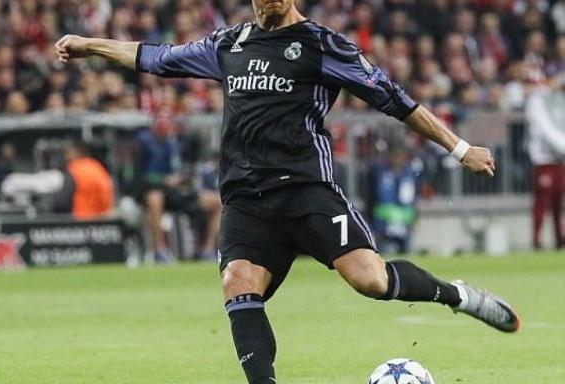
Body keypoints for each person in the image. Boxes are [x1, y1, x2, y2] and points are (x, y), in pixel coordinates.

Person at [54, 0, 519, 382]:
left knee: (371, 281)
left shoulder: (322, 45)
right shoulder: (229, 43)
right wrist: (90, 46)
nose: (268, 2)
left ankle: (456, 296)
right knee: (238, 282)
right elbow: (156, 57)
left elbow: (394, 98)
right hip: (247, 199)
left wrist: (460, 149)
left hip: (306, 191)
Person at [135, 114, 222, 262]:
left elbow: (190, 169)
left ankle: (207, 249)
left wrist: (184, 177)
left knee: (217, 201)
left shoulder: (181, 143)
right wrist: (164, 180)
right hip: (158, 190)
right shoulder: (145, 145)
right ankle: (159, 251)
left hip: (180, 191)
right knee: (155, 199)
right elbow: (141, 176)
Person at [525, 75, 565, 250]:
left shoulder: (558, 99)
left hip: (559, 158)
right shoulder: (538, 100)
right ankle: (536, 239)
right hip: (543, 159)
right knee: (542, 201)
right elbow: (545, 129)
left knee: (558, 201)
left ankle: (559, 238)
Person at [64, 140, 115, 219]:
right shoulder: (98, 167)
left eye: (67, 153)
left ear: (77, 152)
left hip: (78, 220)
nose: (66, 157)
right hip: (99, 219)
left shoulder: (73, 168)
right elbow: (106, 194)